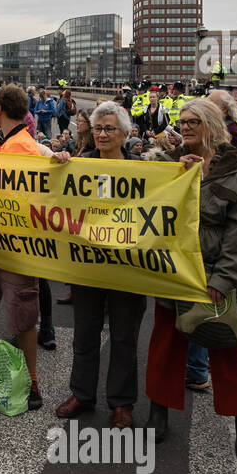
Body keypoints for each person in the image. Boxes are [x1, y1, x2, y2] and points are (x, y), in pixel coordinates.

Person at [144, 99, 237, 460]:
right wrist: (177, 176)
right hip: (176, 269)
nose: (187, 127)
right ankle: (158, 413)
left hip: (215, 274)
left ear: (211, 124)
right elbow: (136, 194)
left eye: (194, 121)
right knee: (166, 344)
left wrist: (223, 280)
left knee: (229, 346)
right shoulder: (169, 164)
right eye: (183, 122)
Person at [0, 84, 71, 406]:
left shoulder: (19, 146)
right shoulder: (4, 144)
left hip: (12, 248)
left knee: (18, 316)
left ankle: (30, 382)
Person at [54, 102, 145, 428]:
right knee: (85, 333)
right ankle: (82, 393)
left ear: (125, 133)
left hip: (128, 268)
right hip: (88, 267)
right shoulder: (79, 165)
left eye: (109, 128)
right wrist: (59, 163)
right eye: (97, 128)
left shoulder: (144, 170)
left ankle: (121, 403)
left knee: (124, 337)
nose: (102, 134)